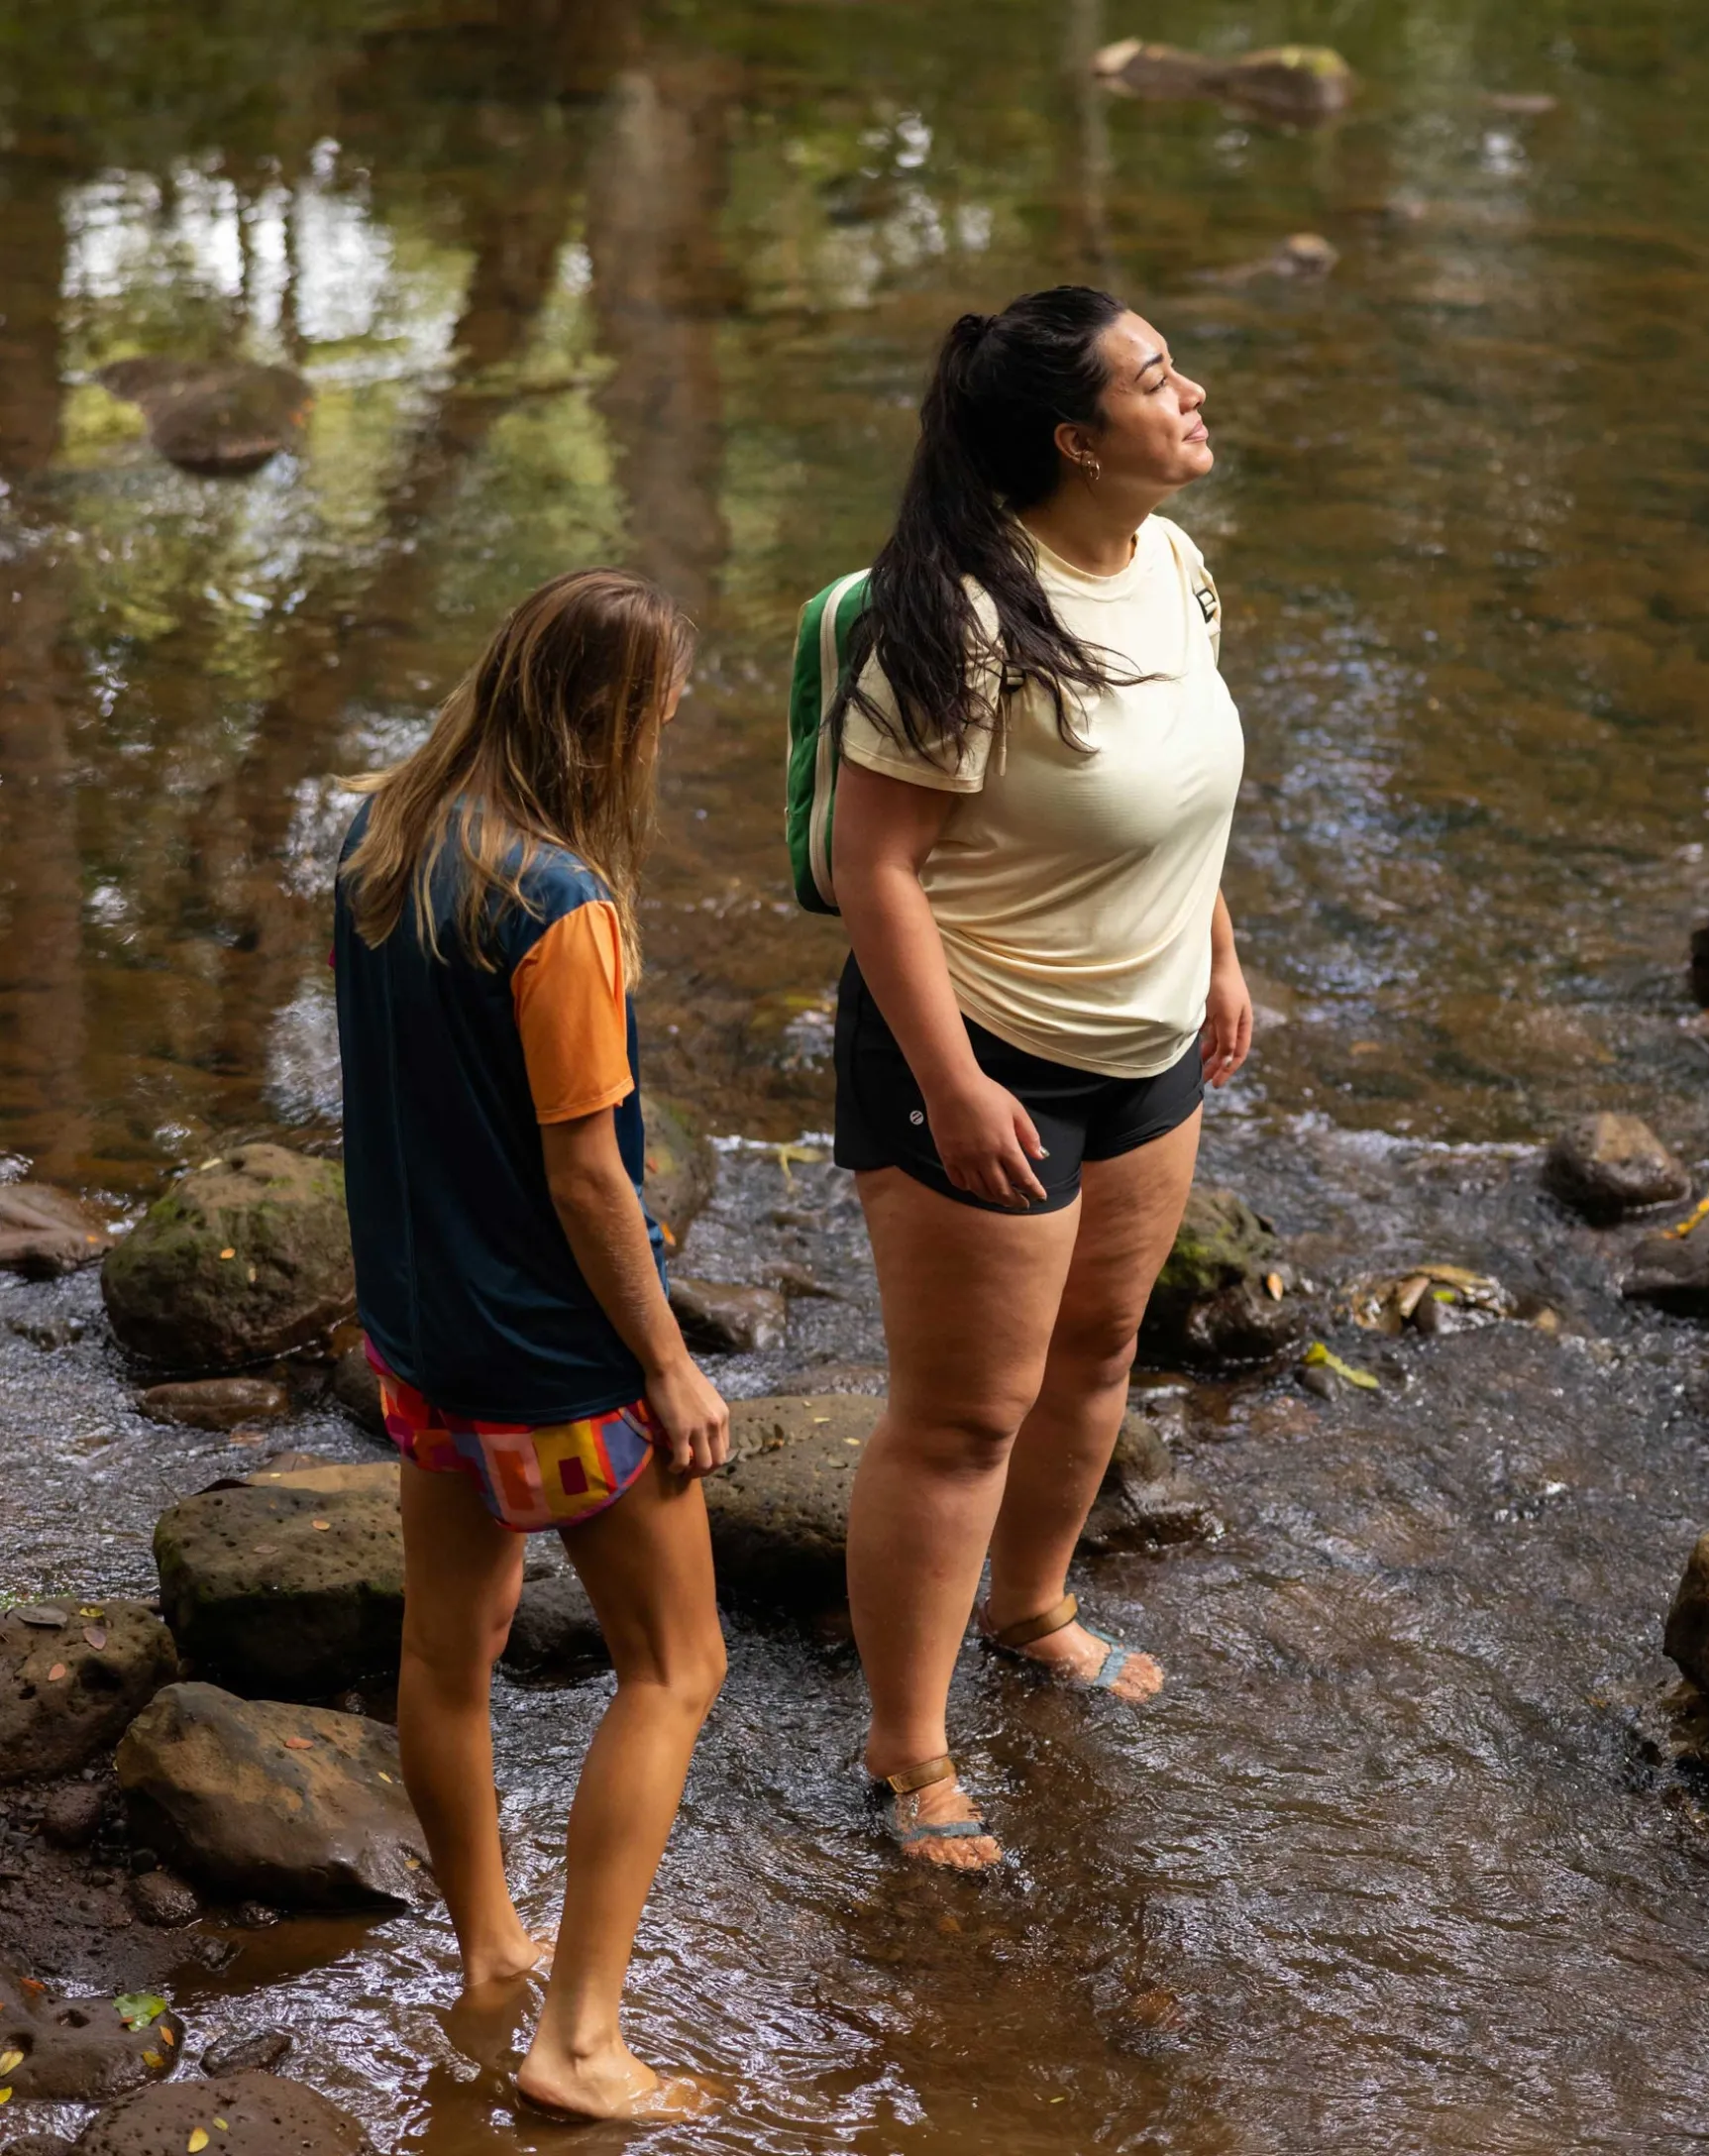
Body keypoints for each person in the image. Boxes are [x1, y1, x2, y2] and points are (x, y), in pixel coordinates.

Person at [829, 286, 1251, 1869]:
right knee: (961, 1418)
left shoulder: (1173, 563)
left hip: (1147, 1039)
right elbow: (875, 868)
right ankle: (907, 1750)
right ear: (1078, 439)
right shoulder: (959, 620)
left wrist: (1216, 947)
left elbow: (1181, 782)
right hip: (981, 1044)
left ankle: (1031, 1610)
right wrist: (945, 1086)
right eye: (1157, 379)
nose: (1192, 392)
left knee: (1099, 1353)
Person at [333, 568, 730, 2115]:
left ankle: (492, 1953)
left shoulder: (377, 838)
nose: (674, 726)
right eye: (663, 708)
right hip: (554, 1366)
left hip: (422, 1342)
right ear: (607, 719)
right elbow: (587, 1174)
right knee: (676, 1666)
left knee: (448, 1656)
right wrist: (673, 1364)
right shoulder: (560, 908)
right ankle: (577, 2043)